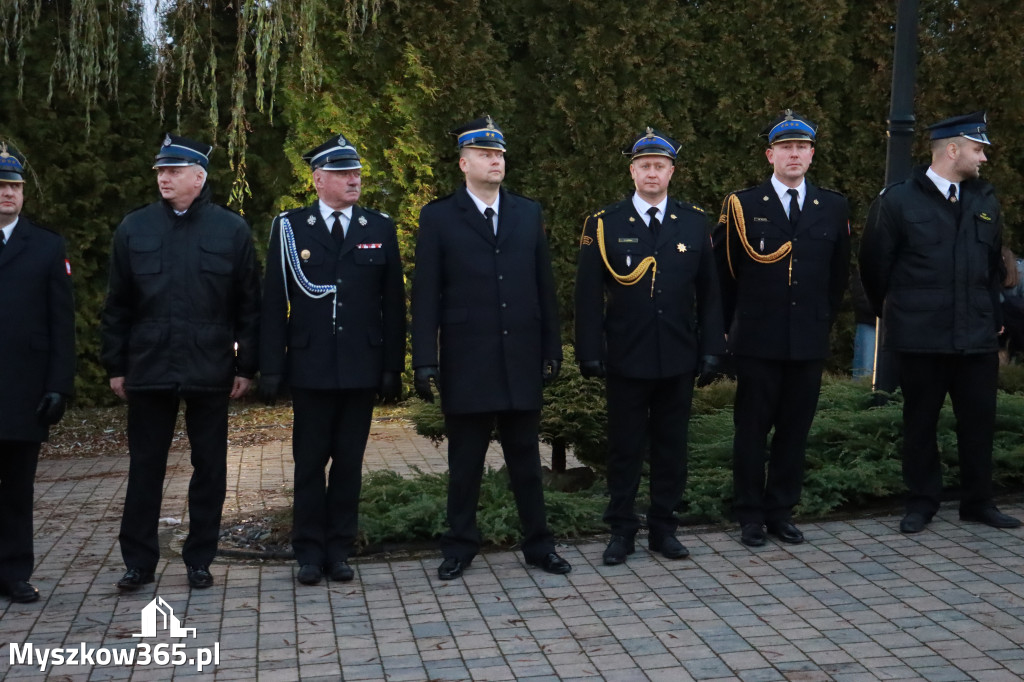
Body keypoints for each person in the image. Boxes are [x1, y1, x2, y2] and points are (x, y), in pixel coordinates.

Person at [411, 116, 570, 580]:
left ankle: (539, 545)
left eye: (499, 154)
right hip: (468, 358)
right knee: (465, 463)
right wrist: (425, 359)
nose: (495, 161)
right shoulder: (439, 217)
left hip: (520, 355)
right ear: (464, 163)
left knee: (526, 461)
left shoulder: (527, 212)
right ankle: (460, 545)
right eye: (485, 154)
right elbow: (426, 294)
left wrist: (551, 347)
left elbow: (543, 287)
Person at [101, 134, 260, 590]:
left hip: (210, 367)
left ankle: (200, 558)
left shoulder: (230, 230)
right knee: (144, 468)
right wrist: (116, 365)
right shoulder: (135, 228)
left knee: (210, 468)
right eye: (160, 172)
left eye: (173, 171)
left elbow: (249, 306)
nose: (164, 178)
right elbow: (117, 305)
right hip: (149, 366)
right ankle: (138, 562)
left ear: (199, 177)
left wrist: (246, 367)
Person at [859, 111, 1020, 534]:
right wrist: (899, 314)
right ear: (952, 150)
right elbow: (874, 267)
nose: (983, 158)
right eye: (978, 149)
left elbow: (992, 267)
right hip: (921, 338)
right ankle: (921, 503)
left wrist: (993, 317)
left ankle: (978, 503)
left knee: (979, 423)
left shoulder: (985, 200)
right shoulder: (897, 200)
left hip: (976, 337)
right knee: (920, 423)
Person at [260, 134, 406, 585]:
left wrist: (392, 366)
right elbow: (274, 301)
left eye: (356, 172)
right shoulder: (291, 227)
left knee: (348, 463)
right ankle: (308, 552)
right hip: (311, 366)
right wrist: (272, 367)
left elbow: (393, 303)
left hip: (361, 365)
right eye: (343, 173)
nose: (354, 180)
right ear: (318, 180)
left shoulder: (377, 227)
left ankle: (340, 549)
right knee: (309, 465)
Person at [574, 128, 724, 565]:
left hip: (677, 354)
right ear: (632, 171)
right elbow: (587, 294)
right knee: (624, 448)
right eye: (645, 166)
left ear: (672, 172)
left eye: (660, 166)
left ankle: (664, 528)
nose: (652, 173)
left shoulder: (693, 222)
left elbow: (710, 293)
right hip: (626, 356)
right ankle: (621, 530)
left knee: (671, 447)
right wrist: (589, 350)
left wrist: (711, 348)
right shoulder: (605, 223)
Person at [712, 110, 850, 547]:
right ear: (770, 155)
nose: (794, 154)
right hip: (757, 338)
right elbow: (724, 274)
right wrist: (726, 330)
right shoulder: (743, 205)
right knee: (752, 431)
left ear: (812, 154)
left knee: (794, 431)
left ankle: (781, 511)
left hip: (807, 338)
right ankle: (750, 514)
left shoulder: (832, 206)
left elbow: (837, 275)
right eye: (786, 147)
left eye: (801, 147)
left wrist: (821, 322)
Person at [0, 143, 75, 603]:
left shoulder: (47, 246)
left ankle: (14, 572)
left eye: (14, 186)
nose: (8, 193)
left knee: (17, 489)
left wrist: (58, 386)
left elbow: (61, 323)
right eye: (0, 186)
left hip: (23, 389)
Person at [850, 266, 877, 379]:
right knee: (864, 372)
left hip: (889, 324)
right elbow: (859, 297)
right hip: (869, 323)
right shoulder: (865, 267)